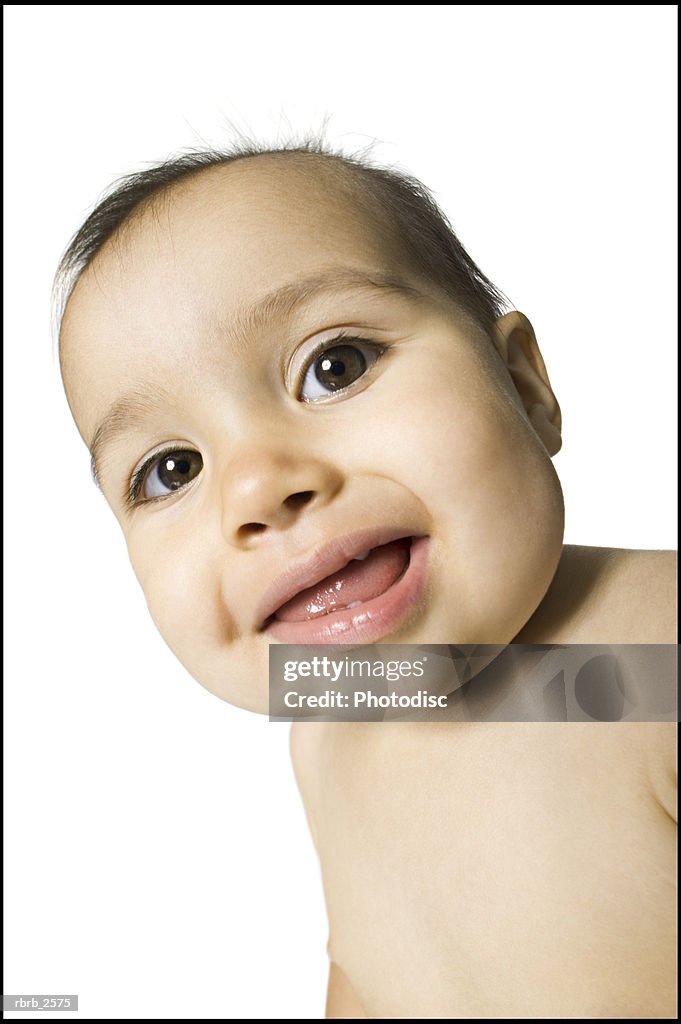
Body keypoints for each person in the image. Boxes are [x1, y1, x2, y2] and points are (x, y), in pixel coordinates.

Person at [55, 141, 677, 1018]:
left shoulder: (657, 653)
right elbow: (367, 972)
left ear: (524, 385)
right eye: (171, 468)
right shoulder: (324, 741)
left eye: (333, 366)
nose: (258, 488)